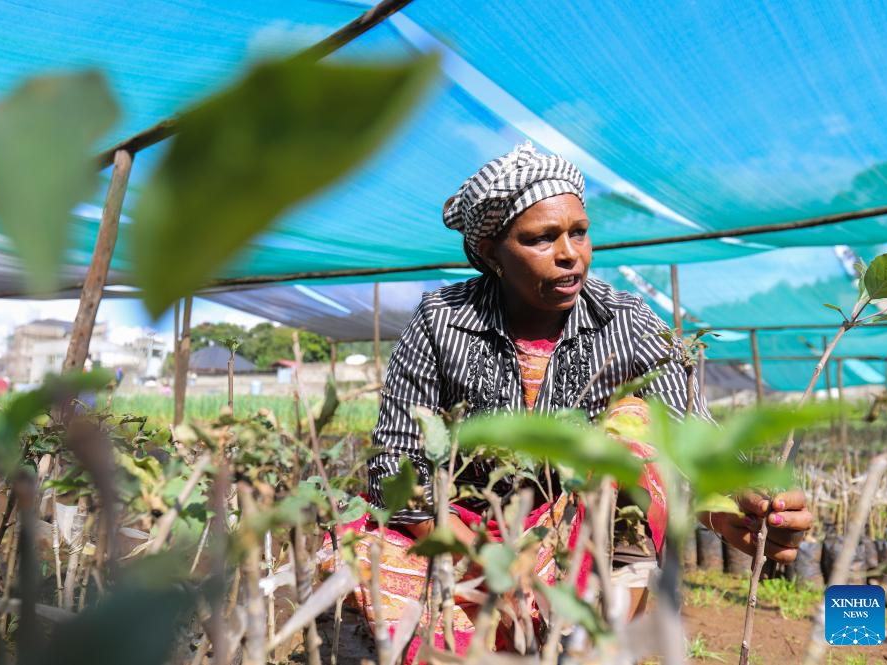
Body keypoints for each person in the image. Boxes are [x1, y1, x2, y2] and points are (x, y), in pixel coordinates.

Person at [330, 143, 811, 656]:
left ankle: (593, 647)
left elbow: (692, 432)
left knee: (634, 424)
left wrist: (737, 504)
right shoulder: (441, 320)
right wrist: (488, 563)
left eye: (578, 232)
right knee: (363, 560)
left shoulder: (626, 321)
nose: (569, 254)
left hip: (574, 541)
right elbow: (395, 470)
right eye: (540, 238)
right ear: (491, 253)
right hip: (463, 537)